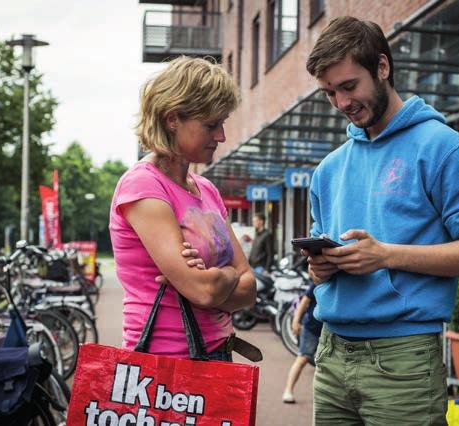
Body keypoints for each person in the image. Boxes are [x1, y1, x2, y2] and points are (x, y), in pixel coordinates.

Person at [303, 16, 459, 425]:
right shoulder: (328, 169)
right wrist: (320, 267)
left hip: (403, 360)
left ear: (382, 67)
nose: (341, 103)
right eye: (329, 93)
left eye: (348, 86)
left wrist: (386, 256)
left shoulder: (444, 148)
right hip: (331, 353)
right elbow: (322, 262)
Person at [109, 56, 256, 361]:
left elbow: (250, 290)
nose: (221, 136)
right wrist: (230, 274)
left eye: (223, 123)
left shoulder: (207, 190)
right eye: (211, 125)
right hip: (164, 364)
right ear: (173, 118)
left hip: (217, 353)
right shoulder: (143, 185)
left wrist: (214, 280)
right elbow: (202, 291)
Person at [282, 281, 323, 404]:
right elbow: (304, 301)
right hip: (311, 328)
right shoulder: (318, 281)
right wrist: (295, 320)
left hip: (329, 330)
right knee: (302, 359)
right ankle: (288, 390)